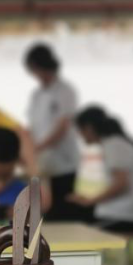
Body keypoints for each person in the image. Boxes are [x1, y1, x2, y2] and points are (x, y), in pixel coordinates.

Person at [68, 105, 133, 235]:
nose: (79, 135)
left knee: (69, 216)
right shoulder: (116, 143)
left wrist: (90, 200)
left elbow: (121, 185)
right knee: (74, 211)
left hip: (126, 216)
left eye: (80, 130)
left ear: (89, 128)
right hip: (128, 213)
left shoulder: (114, 145)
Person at [24, 43, 82, 220]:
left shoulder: (65, 91)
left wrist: (38, 147)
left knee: (62, 210)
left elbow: (63, 125)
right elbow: (32, 126)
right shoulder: (36, 94)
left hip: (63, 161)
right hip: (42, 162)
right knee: (42, 210)